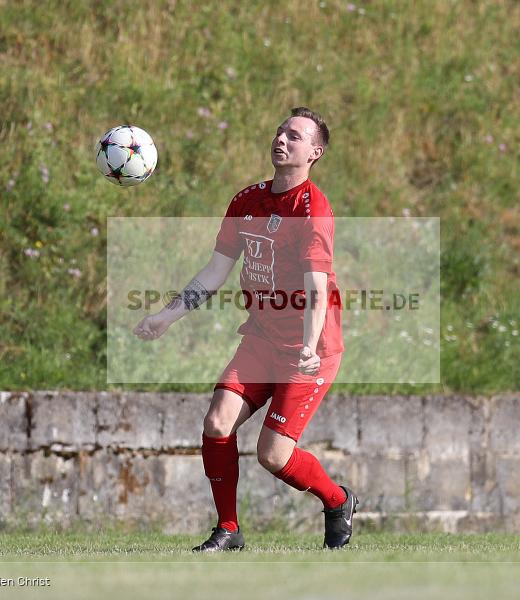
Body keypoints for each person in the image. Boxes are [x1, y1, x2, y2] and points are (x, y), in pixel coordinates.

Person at [133, 107, 358, 551]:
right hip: (262, 336)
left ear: (314, 153)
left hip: (308, 349)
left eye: (294, 136)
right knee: (218, 421)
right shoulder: (246, 201)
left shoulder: (313, 212)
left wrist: (310, 346)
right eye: (280, 131)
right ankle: (228, 530)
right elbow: (215, 271)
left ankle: (336, 500)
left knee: (272, 456)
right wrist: (165, 316)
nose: (281, 140)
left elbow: (317, 290)